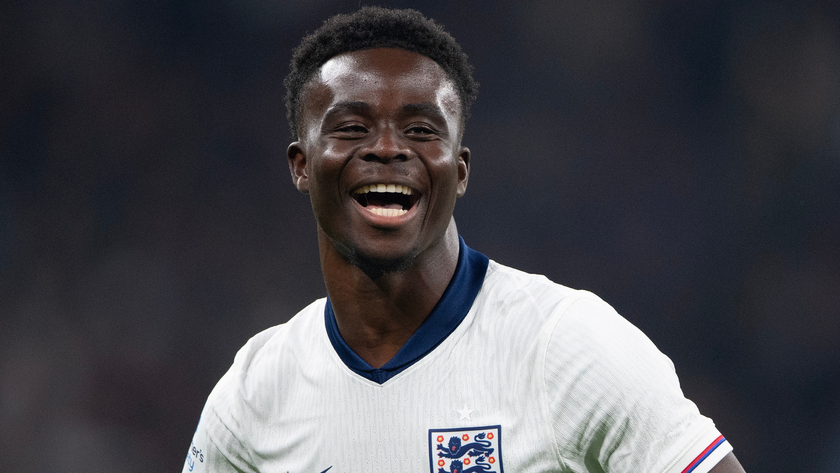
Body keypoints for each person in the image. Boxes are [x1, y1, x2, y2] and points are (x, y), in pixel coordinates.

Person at [183, 7, 746, 473]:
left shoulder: (565, 346)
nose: (387, 148)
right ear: (302, 165)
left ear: (460, 169)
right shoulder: (254, 396)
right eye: (352, 127)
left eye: (421, 130)